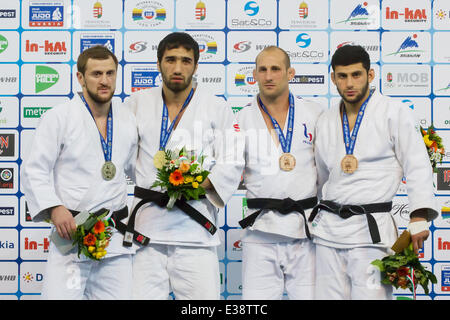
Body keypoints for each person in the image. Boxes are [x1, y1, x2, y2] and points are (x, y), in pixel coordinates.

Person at [310, 45, 438, 300]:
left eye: (356, 75)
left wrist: (419, 216)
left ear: (370, 75)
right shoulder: (325, 120)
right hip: (328, 235)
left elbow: (417, 164)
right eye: (342, 76)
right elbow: (322, 178)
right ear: (333, 78)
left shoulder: (394, 112)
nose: (349, 83)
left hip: (371, 235)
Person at [126, 32, 244, 300]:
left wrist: (201, 182)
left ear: (196, 65)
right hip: (146, 234)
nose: (177, 68)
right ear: (158, 64)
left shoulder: (216, 106)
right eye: (170, 60)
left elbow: (234, 157)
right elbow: (119, 155)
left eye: (185, 60)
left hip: (194, 233)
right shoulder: (136, 104)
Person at [21, 45, 138, 300]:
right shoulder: (59, 117)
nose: (104, 81)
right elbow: (34, 169)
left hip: (114, 239)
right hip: (71, 236)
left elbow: (137, 170)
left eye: (110, 73)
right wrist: (53, 208)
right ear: (80, 77)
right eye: (96, 74)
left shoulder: (128, 119)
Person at [236, 46, 324, 299]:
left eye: (275, 69)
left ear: (290, 73)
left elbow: (328, 169)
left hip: (305, 229)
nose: (269, 75)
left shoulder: (315, 113)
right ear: (254, 74)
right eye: (262, 70)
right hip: (260, 230)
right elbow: (225, 173)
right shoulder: (241, 119)